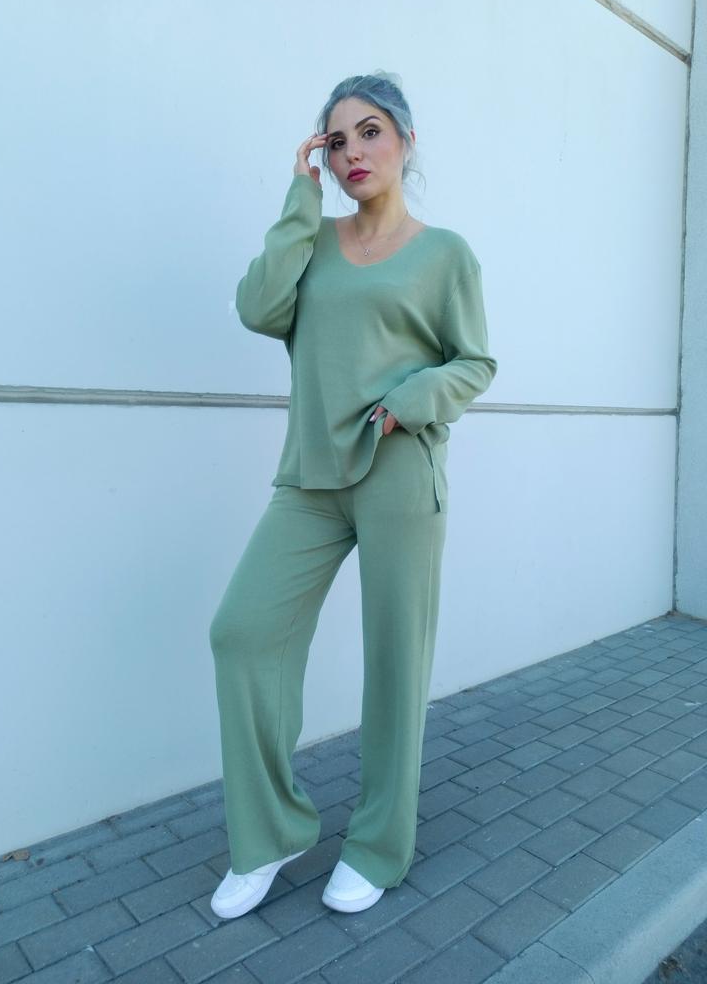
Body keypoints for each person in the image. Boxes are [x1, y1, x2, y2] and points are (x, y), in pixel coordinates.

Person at [208, 71, 497, 920]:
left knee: (394, 664)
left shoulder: (446, 255)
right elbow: (258, 308)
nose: (353, 153)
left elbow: (474, 362)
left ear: (406, 139)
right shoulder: (314, 239)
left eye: (371, 132)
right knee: (242, 634)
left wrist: (413, 398)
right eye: (336, 142)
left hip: (398, 467)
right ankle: (271, 831)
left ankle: (377, 846)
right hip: (310, 477)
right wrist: (299, 200)